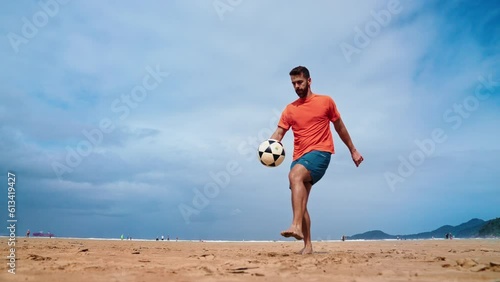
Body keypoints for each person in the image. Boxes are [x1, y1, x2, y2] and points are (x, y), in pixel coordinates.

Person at [270, 66, 364, 255]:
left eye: (300, 82)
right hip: (299, 157)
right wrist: (268, 145)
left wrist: (353, 150)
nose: (296, 86)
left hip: (321, 152)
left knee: (294, 176)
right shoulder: (290, 109)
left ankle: (295, 225)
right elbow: (279, 133)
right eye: (293, 84)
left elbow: (340, 128)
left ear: (309, 81)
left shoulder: (325, 102)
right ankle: (308, 245)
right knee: (300, 201)